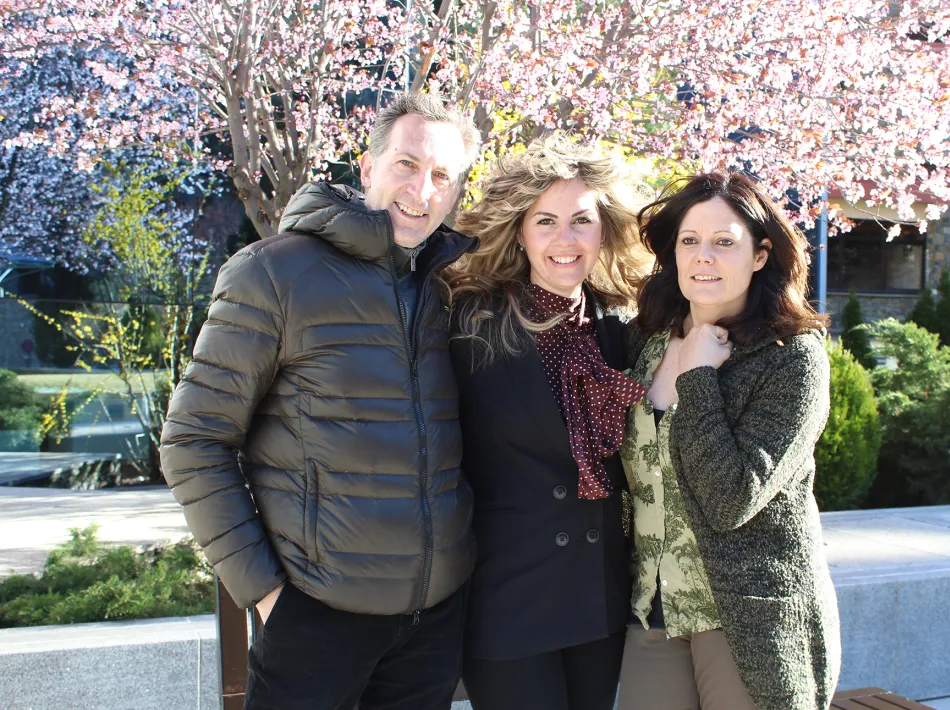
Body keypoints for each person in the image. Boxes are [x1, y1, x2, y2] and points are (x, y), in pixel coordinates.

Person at [159, 93, 482, 710]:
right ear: (367, 169)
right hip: (315, 619)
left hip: (431, 622)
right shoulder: (274, 274)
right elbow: (194, 441)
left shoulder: (445, 286)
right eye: (407, 164)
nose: (423, 188)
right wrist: (265, 595)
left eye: (443, 176)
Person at [617, 172, 841, 710]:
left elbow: (732, 497)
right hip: (653, 609)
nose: (703, 257)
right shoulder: (644, 342)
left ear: (761, 255)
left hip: (745, 617)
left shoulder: (792, 357)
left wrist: (698, 380)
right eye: (689, 241)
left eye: (724, 242)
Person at [447, 137, 649, 710]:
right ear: (519, 231)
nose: (566, 240)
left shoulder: (619, 328)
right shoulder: (472, 323)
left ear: (603, 230)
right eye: (546, 222)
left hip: (597, 596)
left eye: (582, 221)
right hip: (509, 599)